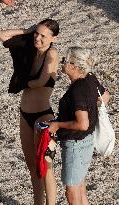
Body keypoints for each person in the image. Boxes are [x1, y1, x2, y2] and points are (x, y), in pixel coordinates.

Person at [0, 19, 59, 205]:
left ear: (53, 38)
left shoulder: (52, 54)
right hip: (25, 114)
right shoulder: (30, 50)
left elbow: (41, 81)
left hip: (43, 116)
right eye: (36, 34)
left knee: (46, 167)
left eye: (43, 35)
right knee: (32, 166)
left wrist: (22, 83)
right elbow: (1, 34)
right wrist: (28, 29)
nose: (37, 38)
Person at [46, 47, 110, 205]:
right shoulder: (90, 78)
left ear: (74, 66)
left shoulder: (77, 90)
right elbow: (105, 97)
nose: (62, 63)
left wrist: (57, 125)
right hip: (87, 141)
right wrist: (91, 107)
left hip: (75, 144)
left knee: (72, 191)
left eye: (64, 61)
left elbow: (82, 124)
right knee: (80, 185)